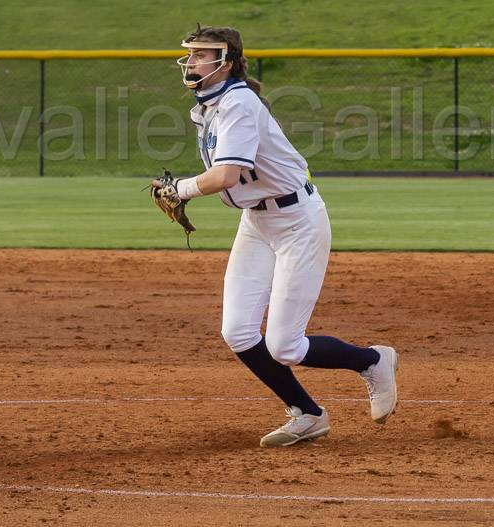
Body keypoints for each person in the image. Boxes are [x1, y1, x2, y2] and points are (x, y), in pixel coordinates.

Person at [153, 25, 398, 447]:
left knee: (285, 345)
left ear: (224, 61)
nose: (190, 61)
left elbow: (226, 175)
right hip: (257, 222)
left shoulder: (238, 104)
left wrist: (183, 188)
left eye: (199, 54)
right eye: (189, 54)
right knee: (239, 333)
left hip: (298, 223)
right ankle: (307, 414)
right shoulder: (209, 106)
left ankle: (372, 360)